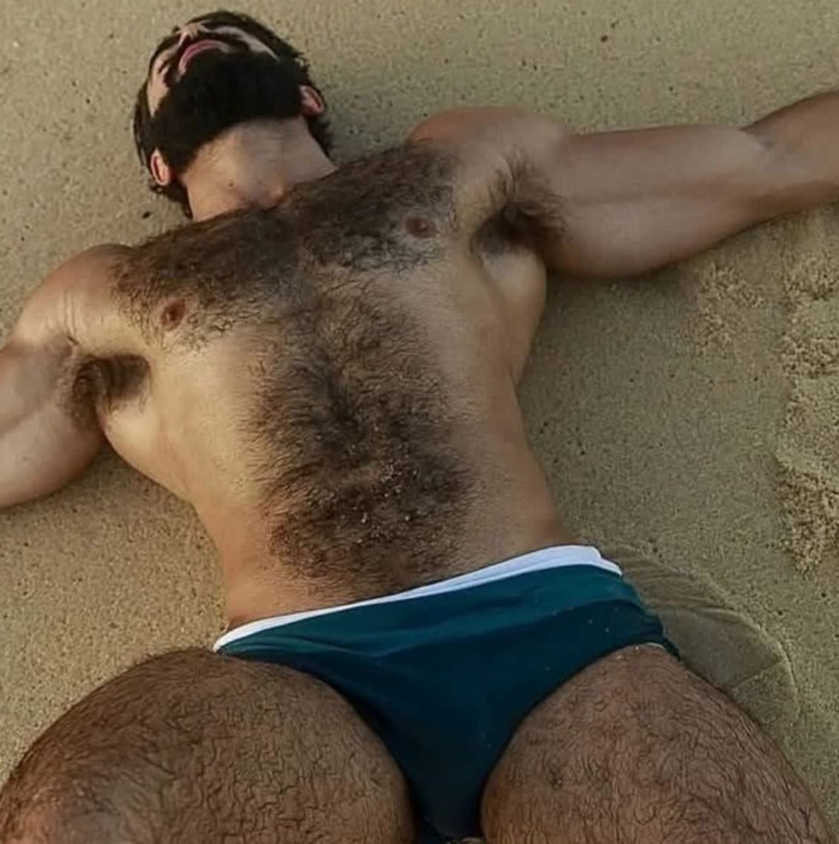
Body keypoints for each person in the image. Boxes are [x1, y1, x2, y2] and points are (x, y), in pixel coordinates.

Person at [0, 9, 835, 843]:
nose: (190, 36)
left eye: (224, 31)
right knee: (71, 820)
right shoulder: (109, 290)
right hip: (295, 676)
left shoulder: (448, 165)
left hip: (547, 632)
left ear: (306, 96)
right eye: (170, 54)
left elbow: (764, 161)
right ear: (159, 163)